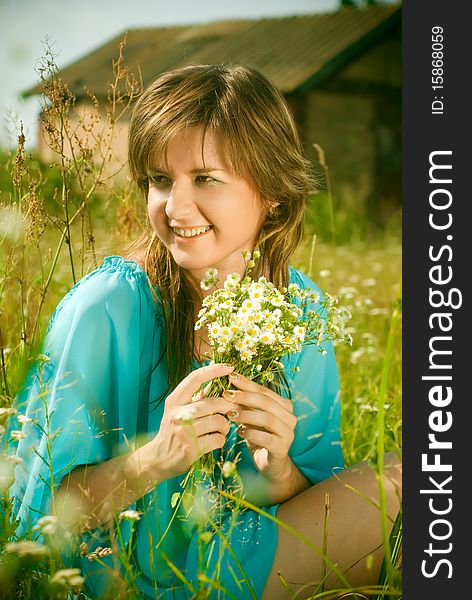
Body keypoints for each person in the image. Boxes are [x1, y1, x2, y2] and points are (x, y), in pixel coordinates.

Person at [10, 64, 401, 599]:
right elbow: (39, 520)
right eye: (160, 180)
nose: (174, 207)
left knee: (422, 469)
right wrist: (153, 460)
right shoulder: (107, 306)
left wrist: (279, 470)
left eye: (206, 178)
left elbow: (311, 492)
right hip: (121, 574)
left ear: (273, 194)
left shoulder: (301, 308)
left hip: (242, 554)